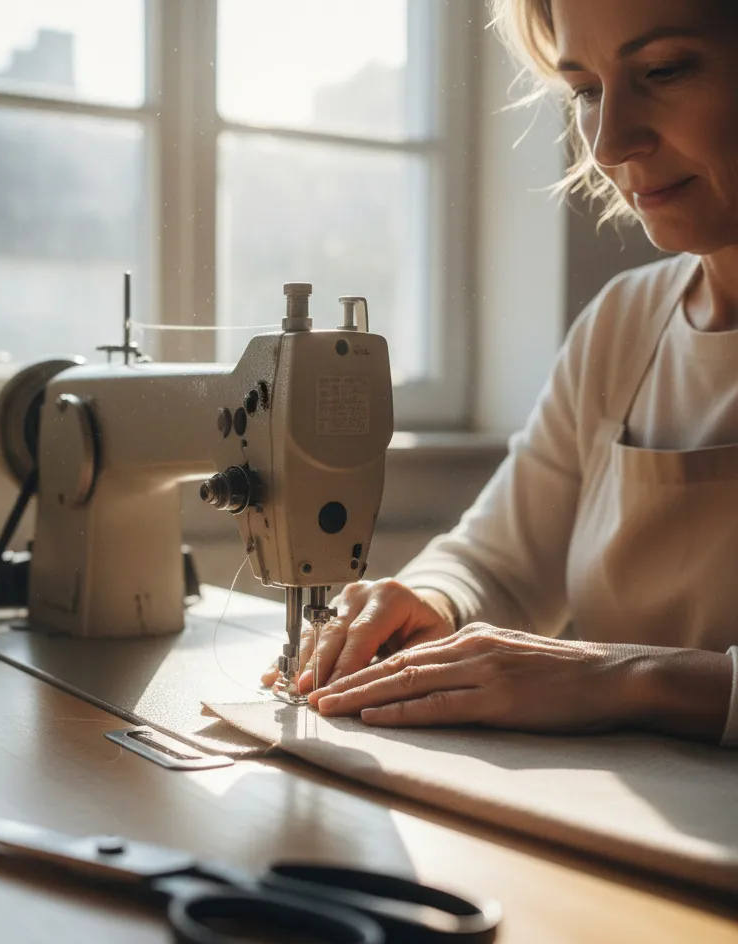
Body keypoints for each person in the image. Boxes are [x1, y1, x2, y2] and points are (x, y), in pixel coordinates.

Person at [263, 0, 738, 747]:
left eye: (665, 70)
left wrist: (623, 675)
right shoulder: (625, 322)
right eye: (585, 90)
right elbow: (505, 562)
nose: (610, 142)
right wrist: (427, 599)